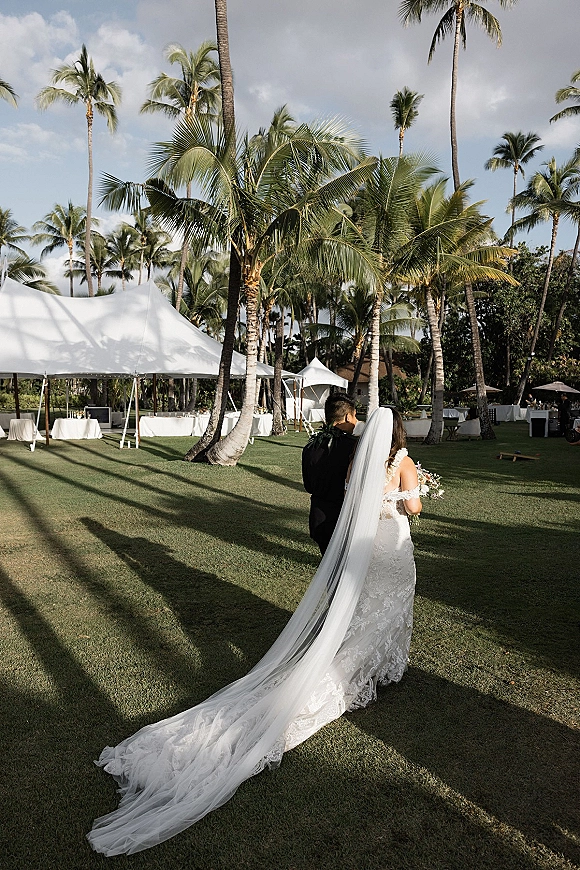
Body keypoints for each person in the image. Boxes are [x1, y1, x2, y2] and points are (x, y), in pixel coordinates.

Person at [88, 407, 421, 856]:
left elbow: (349, 497)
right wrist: (404, 498)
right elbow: (414, 506)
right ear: (399, 432)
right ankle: (382, 667)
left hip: (368, 548)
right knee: (391, 606)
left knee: (364, 611)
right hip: (391, 546)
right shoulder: (401, 460)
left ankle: (371, 664)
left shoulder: (356, 459)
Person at [301, 392, 358, 554]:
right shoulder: (354, 447)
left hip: (320, 518)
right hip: (346, 518)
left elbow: (309, 485)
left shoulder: (310, 447)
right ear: (348, 416)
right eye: (355, 416)